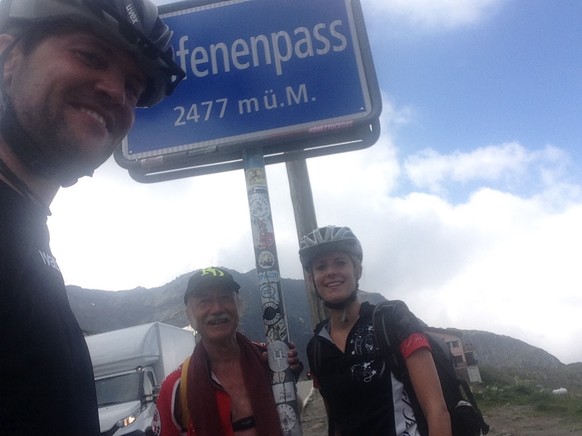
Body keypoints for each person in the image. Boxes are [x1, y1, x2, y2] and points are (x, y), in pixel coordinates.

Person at [0, 1, 184, 434]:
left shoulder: (27, 235)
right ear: (9, 59)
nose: (115, 92)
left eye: (133, 87)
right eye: (89, 56)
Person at [299, 226, 452, 436]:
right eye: (321, 266)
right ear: (311, 279)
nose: (330, 272)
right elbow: (336, 421)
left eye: (340, 262)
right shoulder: (317, 347)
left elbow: (437, 410)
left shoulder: (393, 320)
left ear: (358, 270)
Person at [152, 266, 303, 436]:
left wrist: (288, 376)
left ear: (239, 306)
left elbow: (293, 413)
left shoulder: (269, 359)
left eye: (225, 298)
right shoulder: (176, 388)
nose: (216, 309)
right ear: (190, 315)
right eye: (204, 302)